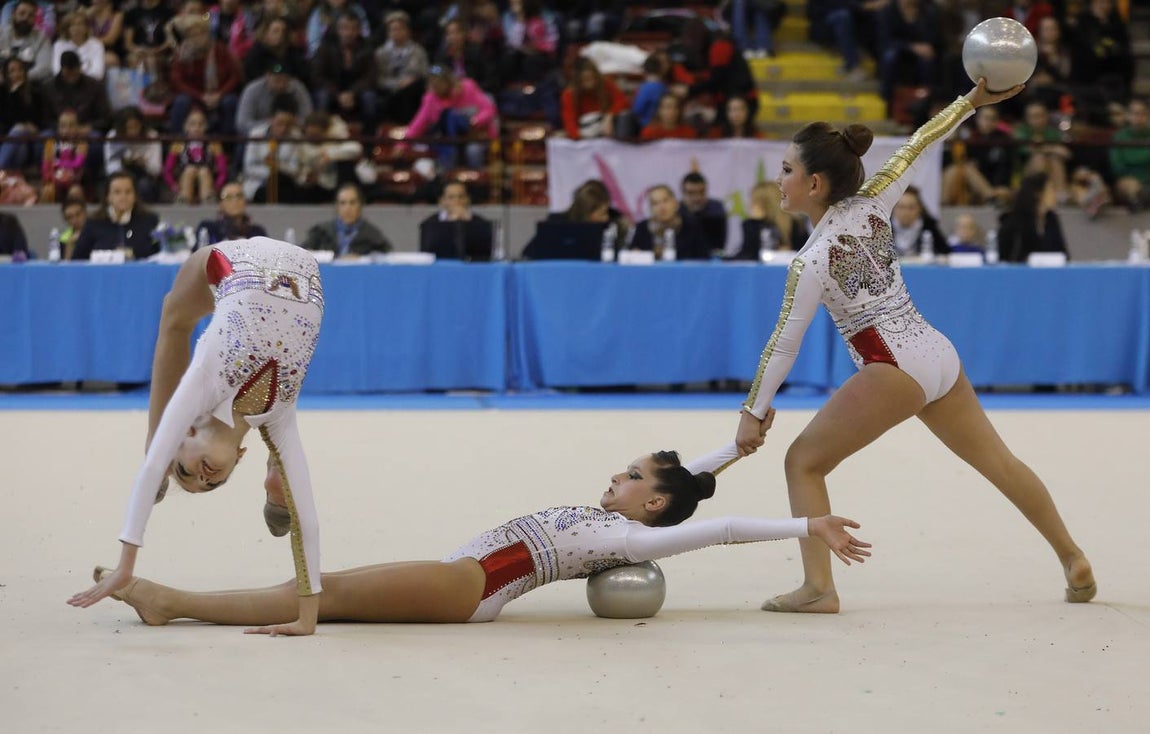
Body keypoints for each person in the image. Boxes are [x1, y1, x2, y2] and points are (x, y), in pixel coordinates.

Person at [732, 78, 1094, 614]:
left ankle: (819, 588)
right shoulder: (875, 202)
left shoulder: (809, 262)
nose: (778, 180)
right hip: (936, 353)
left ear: (814, 183)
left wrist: (752, 412)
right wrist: (970, 101)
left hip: (891, 367)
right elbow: (920, 142)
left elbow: (782, 346)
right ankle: (1072, 557)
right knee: (1001, 462)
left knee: (803, 462)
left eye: (786, 170)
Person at [87, 436, 873, 629]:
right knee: (323, 590)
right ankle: (172, 600)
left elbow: (720, 525)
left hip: (472, 585)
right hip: (464, 568)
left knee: (315, 594)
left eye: (631, 478)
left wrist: (809, 523)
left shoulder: (634, 541)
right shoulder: (623, 515)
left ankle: (170, 600)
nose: (616, 478)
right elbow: (698, 483)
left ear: (652, 508)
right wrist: (736, 445)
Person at [67, 236, 327, 638]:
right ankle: (277, 475)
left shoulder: (204, 380)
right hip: (300, 268)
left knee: (175, 314)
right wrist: (306, 620)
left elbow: (155, 465)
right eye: (212, 483)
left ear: (186, 432)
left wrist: (126, 567)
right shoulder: (280, 421)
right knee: (281, 398)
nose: (203, 478)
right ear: (238, 459)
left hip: (238, 263)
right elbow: (308, 521)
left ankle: (162, 438)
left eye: (186, 472)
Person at [70, 171, 160, 260]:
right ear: (108, 196)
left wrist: (133, 253)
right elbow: (77, 259)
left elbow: (160, 255)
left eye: (128, 192)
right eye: (117, 192)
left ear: (135, 196)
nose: (123, 196)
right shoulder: (93, 223)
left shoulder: (149, 221)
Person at [302, 183, 392, 258]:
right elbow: (303, 253)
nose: (347, 208)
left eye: (352, 203)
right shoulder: (321, 232)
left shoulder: (372, 235)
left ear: (360, 205)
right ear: (336, 206)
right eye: (342, 203)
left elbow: (385, 257)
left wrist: (362, 258)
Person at [996, 171, 1068, 264]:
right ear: (1038, 193)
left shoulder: (1051, 220)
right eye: (1051, 190)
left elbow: (1063, 254)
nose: (1055, 195)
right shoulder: (1014, 222)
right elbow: (1007, 257)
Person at [163, 105, 228, 204]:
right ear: (186, 126)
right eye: (193, 124)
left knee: (204, 171)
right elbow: (167, 170)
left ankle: (208, 201)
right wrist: (174, 186)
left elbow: (223, 171)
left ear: (206, 126)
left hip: (207, 181)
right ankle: (183, 201)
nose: (197, 128)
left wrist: (217, 187)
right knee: (190, 170)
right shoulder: (178, 144)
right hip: (184, 181)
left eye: (200, 124)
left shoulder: (214, 144)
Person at [375, 10, 429, 125]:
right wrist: (398, 84)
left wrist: (412, 81)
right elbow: (378, 78)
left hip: (413, 92)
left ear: (408, 31)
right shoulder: (380, 53)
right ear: (388, 32)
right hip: (390, 92)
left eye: (400, 29)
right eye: (393, 29)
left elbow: (425, 74)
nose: (397, 32)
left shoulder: (418, 51)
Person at [628, 184, 708, 261]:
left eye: (665, 201)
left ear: (675, 203)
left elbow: (703, 259)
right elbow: (630, 256)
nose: (661, 207)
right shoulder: (641, 229)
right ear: (650, 209)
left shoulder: (692, 227)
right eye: (655, 203)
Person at [419, 180, 493, 261]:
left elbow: (485, 253)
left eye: (461, 196)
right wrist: (451, 225)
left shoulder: (480, 223)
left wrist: (467, 225)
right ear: (442, 201)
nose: (457, 201)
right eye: (451, 197)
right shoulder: (430, 223)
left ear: (468, 199)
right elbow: (427, 252)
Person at [735, 181, 809, 260]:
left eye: (753, 201)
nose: (749, 205)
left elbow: (748, 255)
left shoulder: (753, 225)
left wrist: (753, 222)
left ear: (761, 203)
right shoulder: (796, 223)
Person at [104, 106, 164, 204]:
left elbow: (156, 169)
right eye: (129, 128)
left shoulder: (152, 136)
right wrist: (124, 161)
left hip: (144, 176)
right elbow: (110, 168)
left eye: (136, 126)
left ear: (141, 124)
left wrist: (144, 163)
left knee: (144, 186)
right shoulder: (113, 136)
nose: (132, 131)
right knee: (119, 187)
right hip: (121, 175)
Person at [560, 57, 627, 141]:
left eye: (592, 78)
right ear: (578, 80)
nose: (590, 82)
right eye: (586, 79)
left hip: (607, 127)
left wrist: (610, 116)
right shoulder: (569, 94)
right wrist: (577, 136)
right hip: (585, 131)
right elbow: (569, 119)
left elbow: (622, 101)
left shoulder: (606, 84)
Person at [195, 181, 268, 246]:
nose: (235, 201)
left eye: (239, 196)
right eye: (229, 197)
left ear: (245, 202)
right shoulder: (209, 228)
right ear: (221, 204)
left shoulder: (257, 232)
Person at [889, 185, 948, 258]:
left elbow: (945, 252)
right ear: (893, 208)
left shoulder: (929, 226)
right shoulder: (883, 227)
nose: (906, 212)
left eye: (911, 207)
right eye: (902, 207)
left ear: (919, 209)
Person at [679, 172, 728, 256]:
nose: (697, 198)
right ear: (683, 193)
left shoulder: (715, 209)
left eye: (701, 192)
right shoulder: (676, 211)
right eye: (691, 193)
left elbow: (718, 246)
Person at [52, 11, 105, 80]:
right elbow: (56, 70)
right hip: (66, 85)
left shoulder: (96, 44)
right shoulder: (59, 45)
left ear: (86, 28)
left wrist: (77, 78)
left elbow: (98, 73)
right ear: (67, 29)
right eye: (73, 25)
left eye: (80, 24)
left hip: (89, 85)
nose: (77, 28)